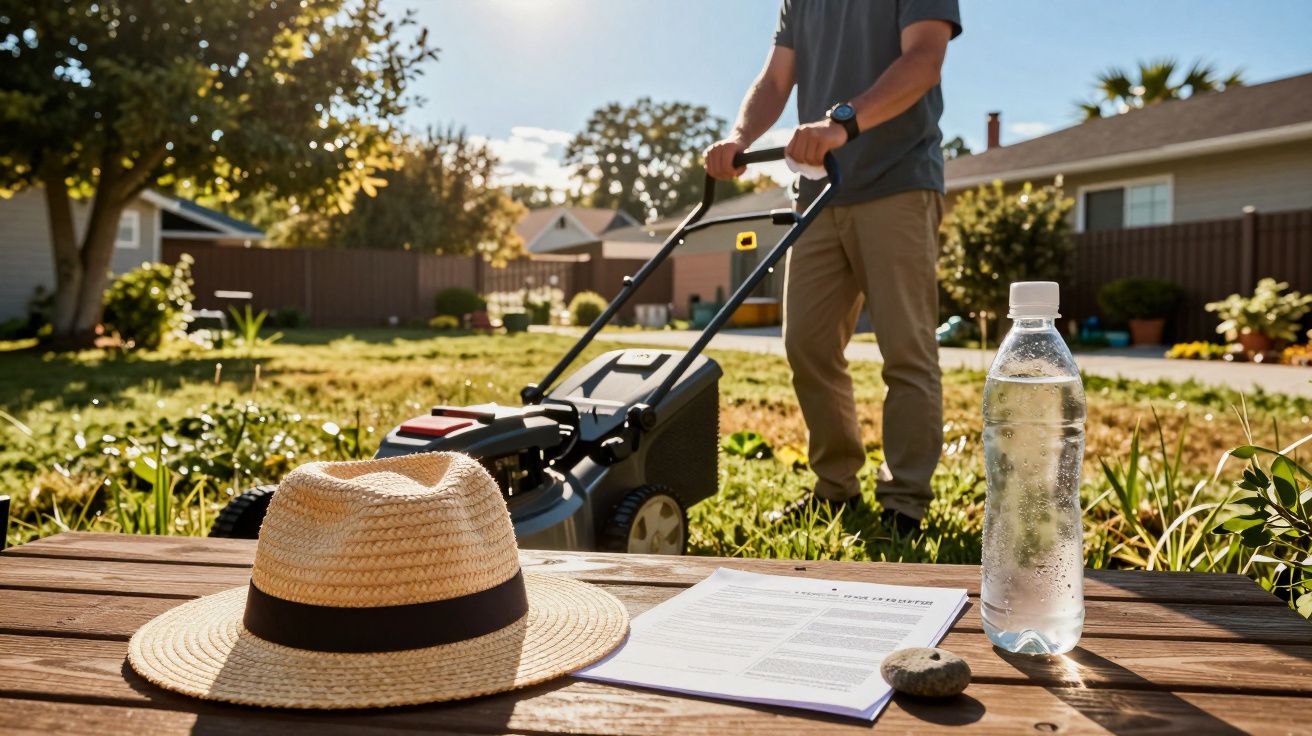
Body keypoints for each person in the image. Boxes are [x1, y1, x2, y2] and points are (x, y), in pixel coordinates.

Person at [705, 0, 962, 534]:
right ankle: (836, 486)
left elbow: (924, 60)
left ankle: (904, 501)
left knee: (905, 349)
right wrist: (740, 136)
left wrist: (843, 121)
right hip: (819, 192)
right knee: (808, 343)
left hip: (899, 180)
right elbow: (777, 79)